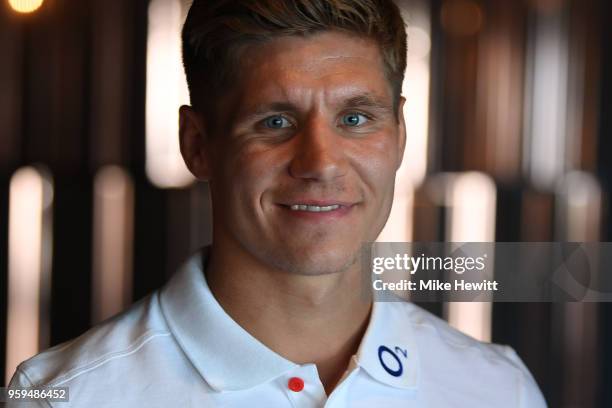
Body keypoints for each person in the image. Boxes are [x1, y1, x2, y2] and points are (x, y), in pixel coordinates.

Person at [8, 0, 547, 406]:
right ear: (197, 145)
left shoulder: (498, 389)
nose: (320, 162)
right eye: (275, 122)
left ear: (400, 135)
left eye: (355, 119)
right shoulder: (63, 397)